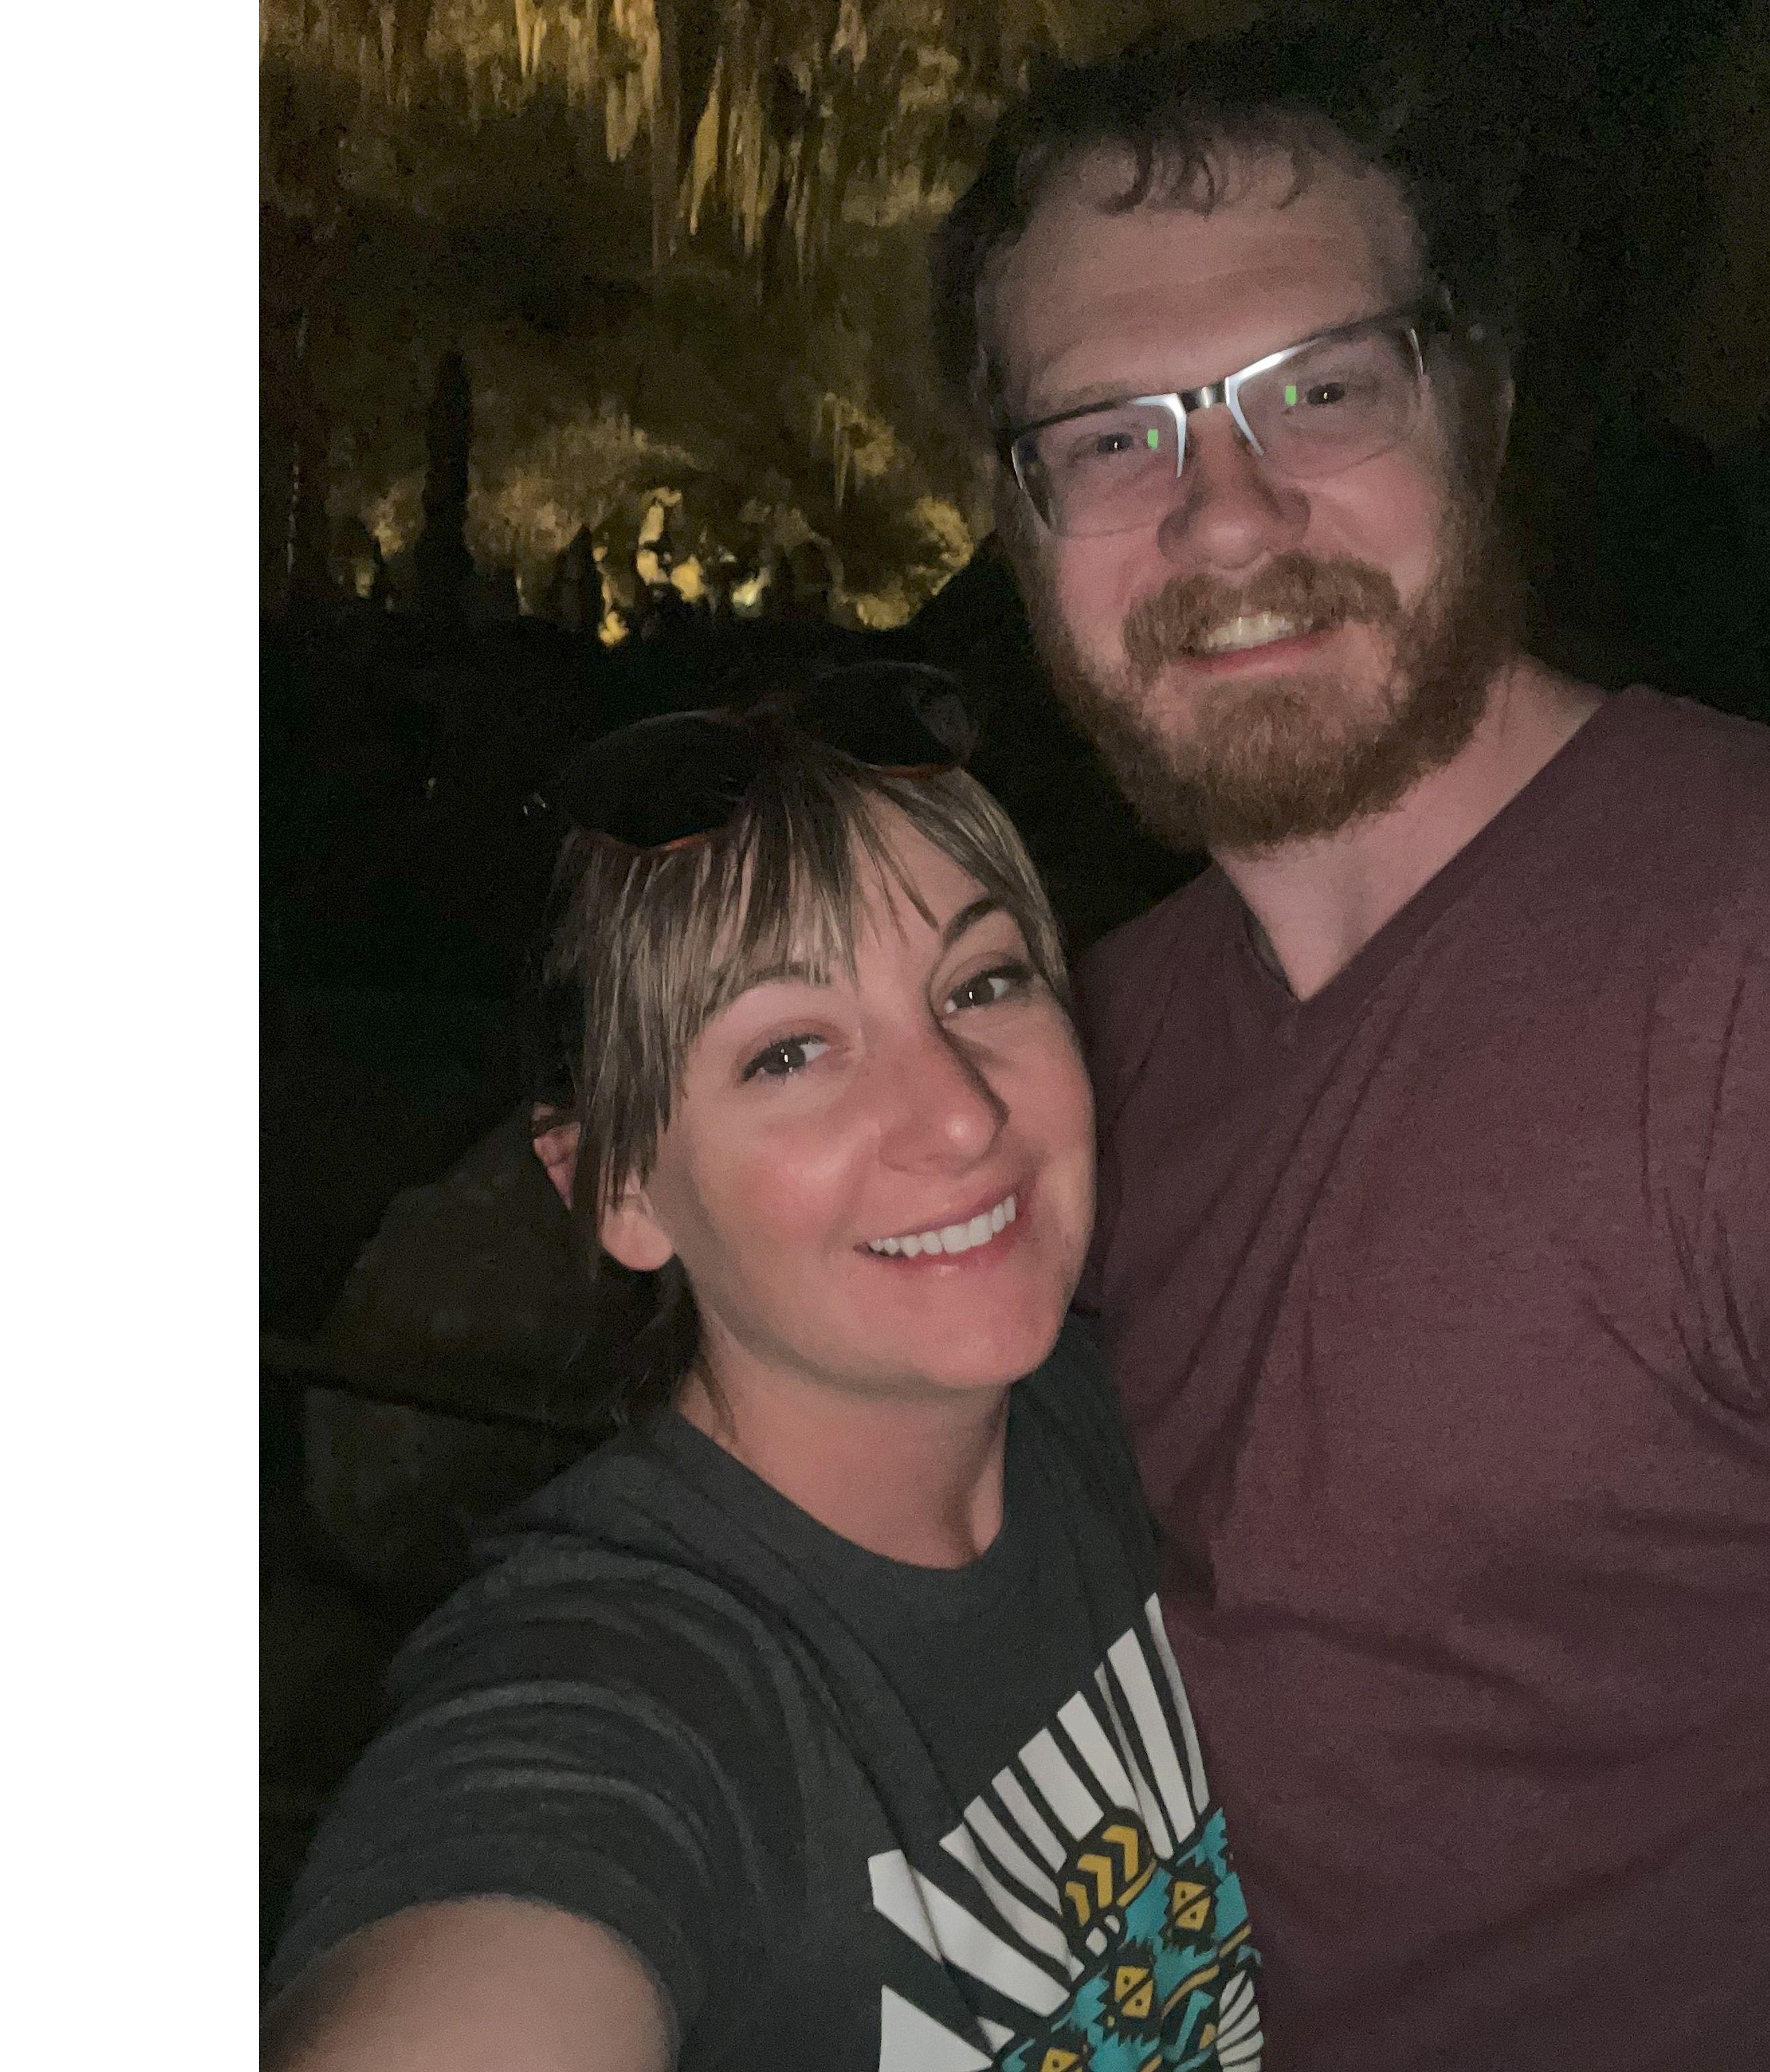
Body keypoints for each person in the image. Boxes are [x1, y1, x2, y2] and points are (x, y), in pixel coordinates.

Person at [928, 28, 1770, 2071]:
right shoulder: (1075, 1060)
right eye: (1114, 436)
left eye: (1319, 390)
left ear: (1473, 411)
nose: (1228, 519)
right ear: (1021, 521)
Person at [262, 669, 1267, 2071]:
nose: (960, 1113)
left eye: (980, 981)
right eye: (789, 1051)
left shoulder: (1121, 1406)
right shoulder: (627, 1684)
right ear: (617, 1188)